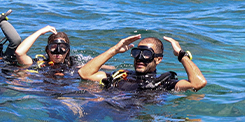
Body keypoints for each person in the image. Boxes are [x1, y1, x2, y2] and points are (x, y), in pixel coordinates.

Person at [78, 34, 207, 92]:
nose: (140, 58)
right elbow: (84, 73)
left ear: (158, 59)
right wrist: (114, 50)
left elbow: (198, 83)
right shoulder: (122, 75)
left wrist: (181, 54)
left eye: (146, 54)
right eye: (136, 53)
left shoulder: (163, 84)